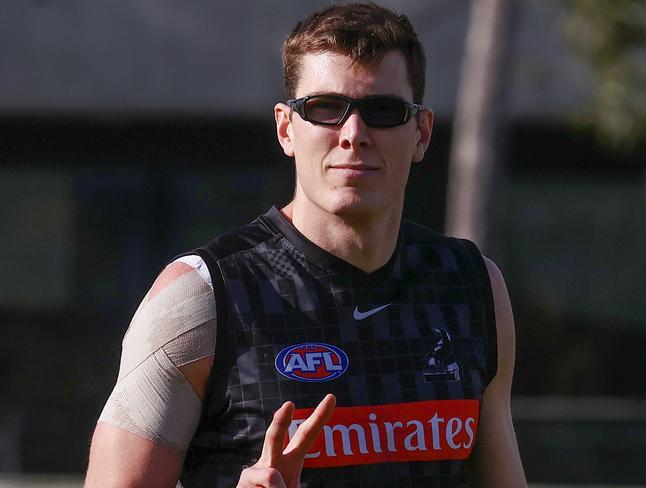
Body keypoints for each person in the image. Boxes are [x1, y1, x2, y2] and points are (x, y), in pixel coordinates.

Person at [85, 2, 527, 487]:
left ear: (421, 133)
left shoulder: (472, 286)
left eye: (383, 111)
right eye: (325, 109)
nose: (354, 135)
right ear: (285, 128)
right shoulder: (201, 298)